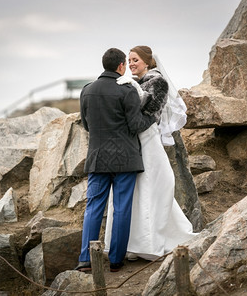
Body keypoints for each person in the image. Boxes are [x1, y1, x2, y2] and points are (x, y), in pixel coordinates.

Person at [105, 45, 197, 261]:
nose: (131, 64)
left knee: (151, 187)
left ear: (148, 61)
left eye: (135, 59)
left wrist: (133, 91)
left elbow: (150, 111)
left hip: (148, 141)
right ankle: (133, 243)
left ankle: (150, 240)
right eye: (129, 60)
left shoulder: (158, 81)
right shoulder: (133, 82)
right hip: (132, 143)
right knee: (135, 191)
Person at [75, 48, 156, 272]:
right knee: (121, 209)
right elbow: (136, 125)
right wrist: (152, 116)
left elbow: (87, 125)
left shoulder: (87, 90)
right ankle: (116, 260)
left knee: (93, 208)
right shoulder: (127, 90)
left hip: (98, 158)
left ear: (104, 65)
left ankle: (85, 259)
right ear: (121, 66)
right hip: (125, 159)